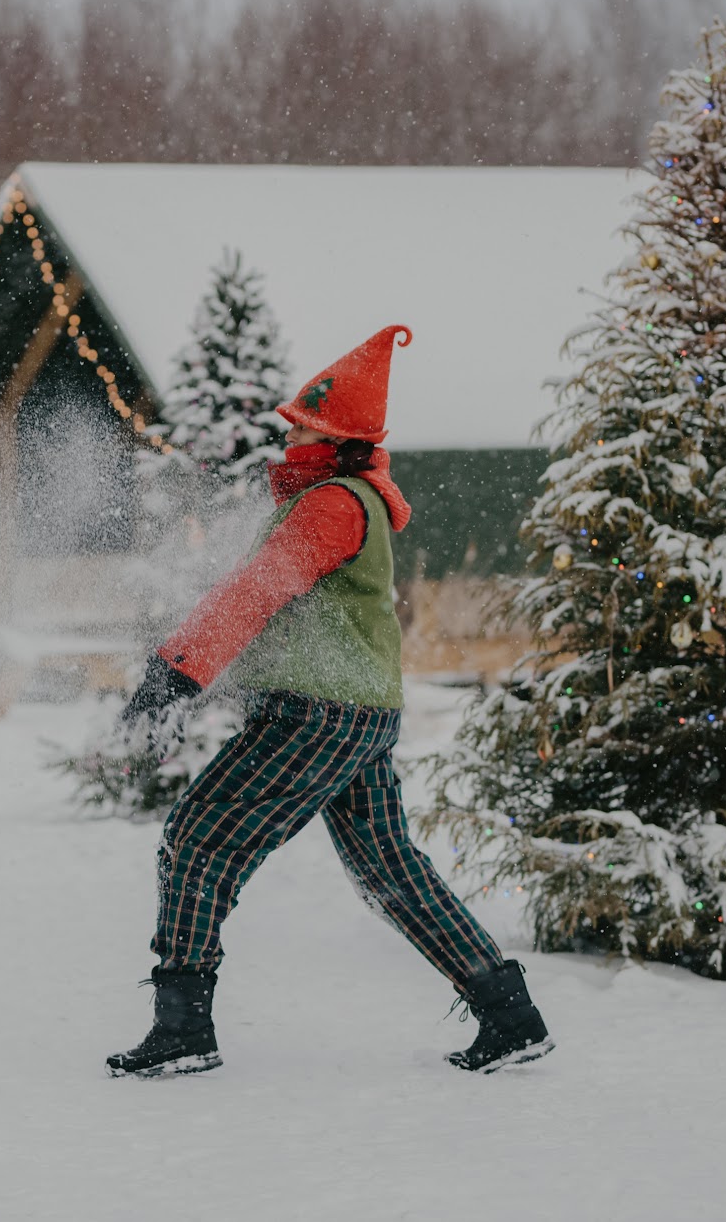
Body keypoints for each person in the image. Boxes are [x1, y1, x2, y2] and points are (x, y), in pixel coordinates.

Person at [106, 325, 552, 1078]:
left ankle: (183, 1029)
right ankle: (509, 1015)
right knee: (390, 869)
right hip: (362, 712)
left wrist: (177, 670)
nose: (292, 433)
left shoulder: (332, 504)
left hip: (316, 711)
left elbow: (257, 589)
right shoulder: (346, 501)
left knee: (197, 842)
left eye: (306, 424)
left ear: (338, 436)